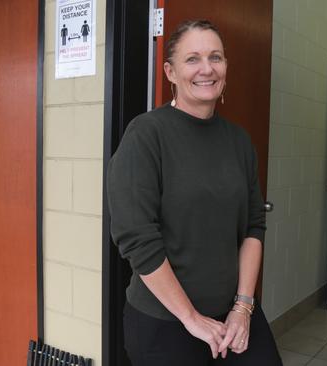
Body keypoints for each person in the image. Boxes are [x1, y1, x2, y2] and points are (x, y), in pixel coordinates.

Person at [107, 19, 282, 366]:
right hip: (165, 323)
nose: (207, 69)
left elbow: (253, 226)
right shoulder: (146, 135)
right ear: (170, 72)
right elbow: (136, 238)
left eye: (215, 57)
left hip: (234, 315)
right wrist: (191, 318)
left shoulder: (238, 141)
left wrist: (243, 307)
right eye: (193, 59)